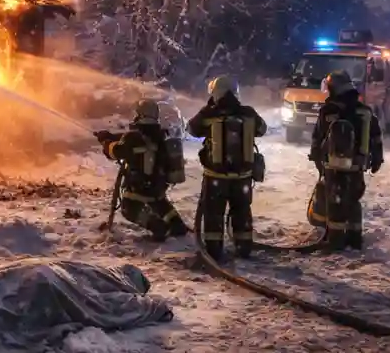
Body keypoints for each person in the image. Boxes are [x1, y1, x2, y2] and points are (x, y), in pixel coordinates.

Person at [187, 76, 267, 259]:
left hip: (216, 176)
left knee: (213, 213)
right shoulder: (248, 113)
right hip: (242, 177)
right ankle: (244, 246)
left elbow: (191, 129)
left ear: (215, 92)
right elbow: (262, 129)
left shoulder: (209, 114)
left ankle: (214, 251)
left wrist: (208, 109)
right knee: (242, 211)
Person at [308, 70, 384, 249]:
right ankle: (354, 238)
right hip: (357, 167)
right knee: (353, 200)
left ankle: (335, 240)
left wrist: (318, 160)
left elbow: (317, 138)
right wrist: (377, 159)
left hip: (334, 168)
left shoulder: (328, 111)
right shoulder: (364, 111)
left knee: (335, 201)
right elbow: (376, 138)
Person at [97, 99, 189, 241]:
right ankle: (177, 225)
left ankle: (157, 226)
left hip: (138, 188)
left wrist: (106, 142)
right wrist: (110, 136)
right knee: (160, 204)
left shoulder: (133, 137)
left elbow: (116, 152)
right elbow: (129, 141)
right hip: (157, 188)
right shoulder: (161, 135)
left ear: (139, 115)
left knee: (129, 210)